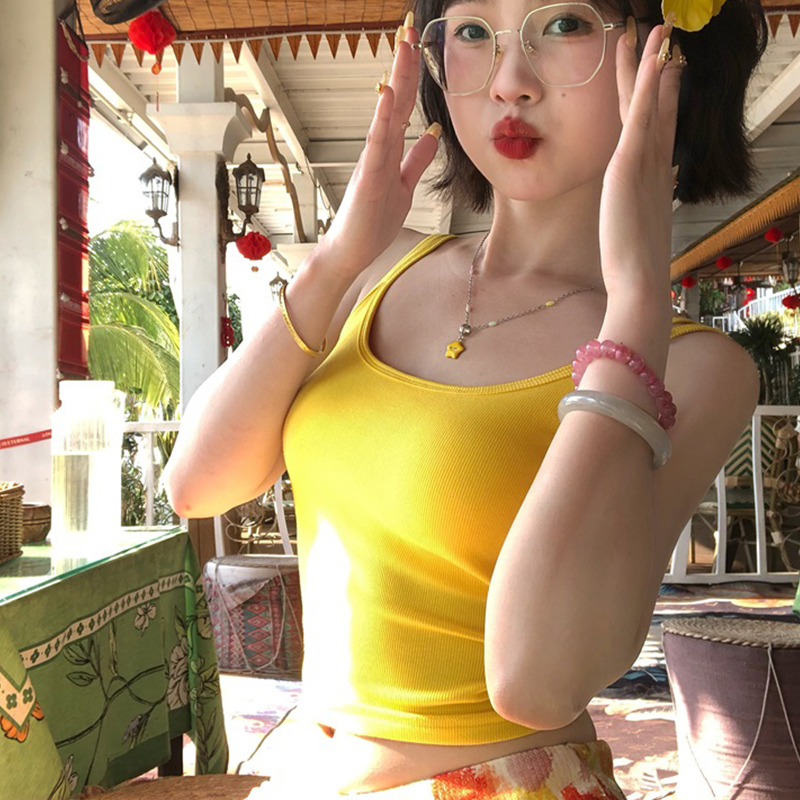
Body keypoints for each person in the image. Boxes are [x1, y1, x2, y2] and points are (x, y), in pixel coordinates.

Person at [164, 0, 769, 797]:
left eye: (565, 24)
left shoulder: (693, 364)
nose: (509, 82)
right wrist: (335, 259)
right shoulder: (376, 268)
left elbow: (535, 683)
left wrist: (634, 307)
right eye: (474, 32)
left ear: (669, 62)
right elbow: (196, 484)